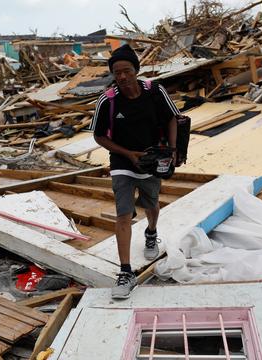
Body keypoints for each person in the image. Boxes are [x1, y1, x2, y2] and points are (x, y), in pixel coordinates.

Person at [92, 44, 179, 299]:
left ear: (136, 71)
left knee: (152, 204)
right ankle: (125, 272)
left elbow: (173, 117)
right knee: (123, 213)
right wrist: (128, 154)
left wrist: (171, 150)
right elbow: (98, 135)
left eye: (127, 71)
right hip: (122, 161)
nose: (122, 77)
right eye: (117, 72)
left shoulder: (155, 92)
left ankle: (151, 232)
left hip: (151, 159)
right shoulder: (108, 100)